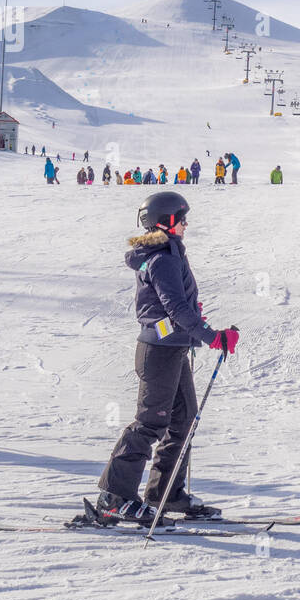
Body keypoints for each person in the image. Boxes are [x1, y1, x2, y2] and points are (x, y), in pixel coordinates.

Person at [94, 191, 240, 524]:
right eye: (182, 218)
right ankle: (114, 497)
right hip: (158, 353)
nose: (187, 224)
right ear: (166, 222)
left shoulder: (167, 253)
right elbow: (175, 309)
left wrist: (195, 324)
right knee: (150, 423)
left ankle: (166, 493)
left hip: (171, 349)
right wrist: (212, 337)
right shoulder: (162, 259)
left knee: (184, 418)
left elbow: (177, 306)